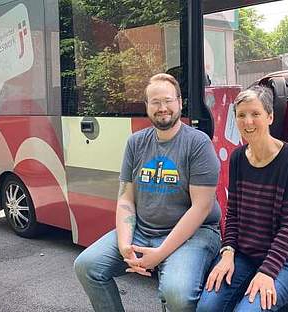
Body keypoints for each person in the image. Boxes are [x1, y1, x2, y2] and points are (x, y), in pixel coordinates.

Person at [74, 73, 221, 312]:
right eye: (155, 102)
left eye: (168, 100)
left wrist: (160, 254)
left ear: (180, 102)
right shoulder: (135, 143)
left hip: (195, 234)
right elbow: (126, 199)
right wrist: (124, 246)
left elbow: (201, 207)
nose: (162, 108)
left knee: (177, 294)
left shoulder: (198, 143)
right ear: (147, 107)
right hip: (143, 230)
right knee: (87, 266)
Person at [197, 85, 288, 312]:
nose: (248, 122)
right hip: (248, 254)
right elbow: (233, 214)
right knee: (207, 307)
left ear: (270, 117)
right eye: (241, 115)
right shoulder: (237, 158)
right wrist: (227, 253)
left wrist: (267, 271)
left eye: (255, 114)